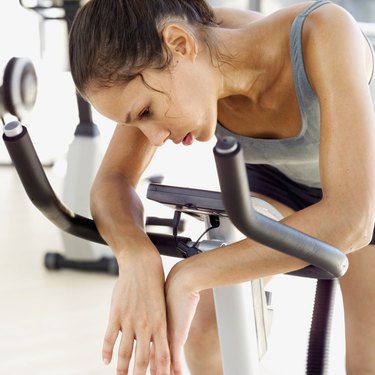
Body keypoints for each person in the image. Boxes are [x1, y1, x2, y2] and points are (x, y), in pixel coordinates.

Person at [68, 1, 375, 374]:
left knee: (367, 360)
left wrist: (189, 275)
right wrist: (136, 256)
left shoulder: (325, 31)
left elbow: (352, 219)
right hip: (277, 180)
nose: (153, 138)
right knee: (206, 328)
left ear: (179, 44)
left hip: (364, 190)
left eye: (146, 112)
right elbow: (111, 180)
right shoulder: (175, 48)